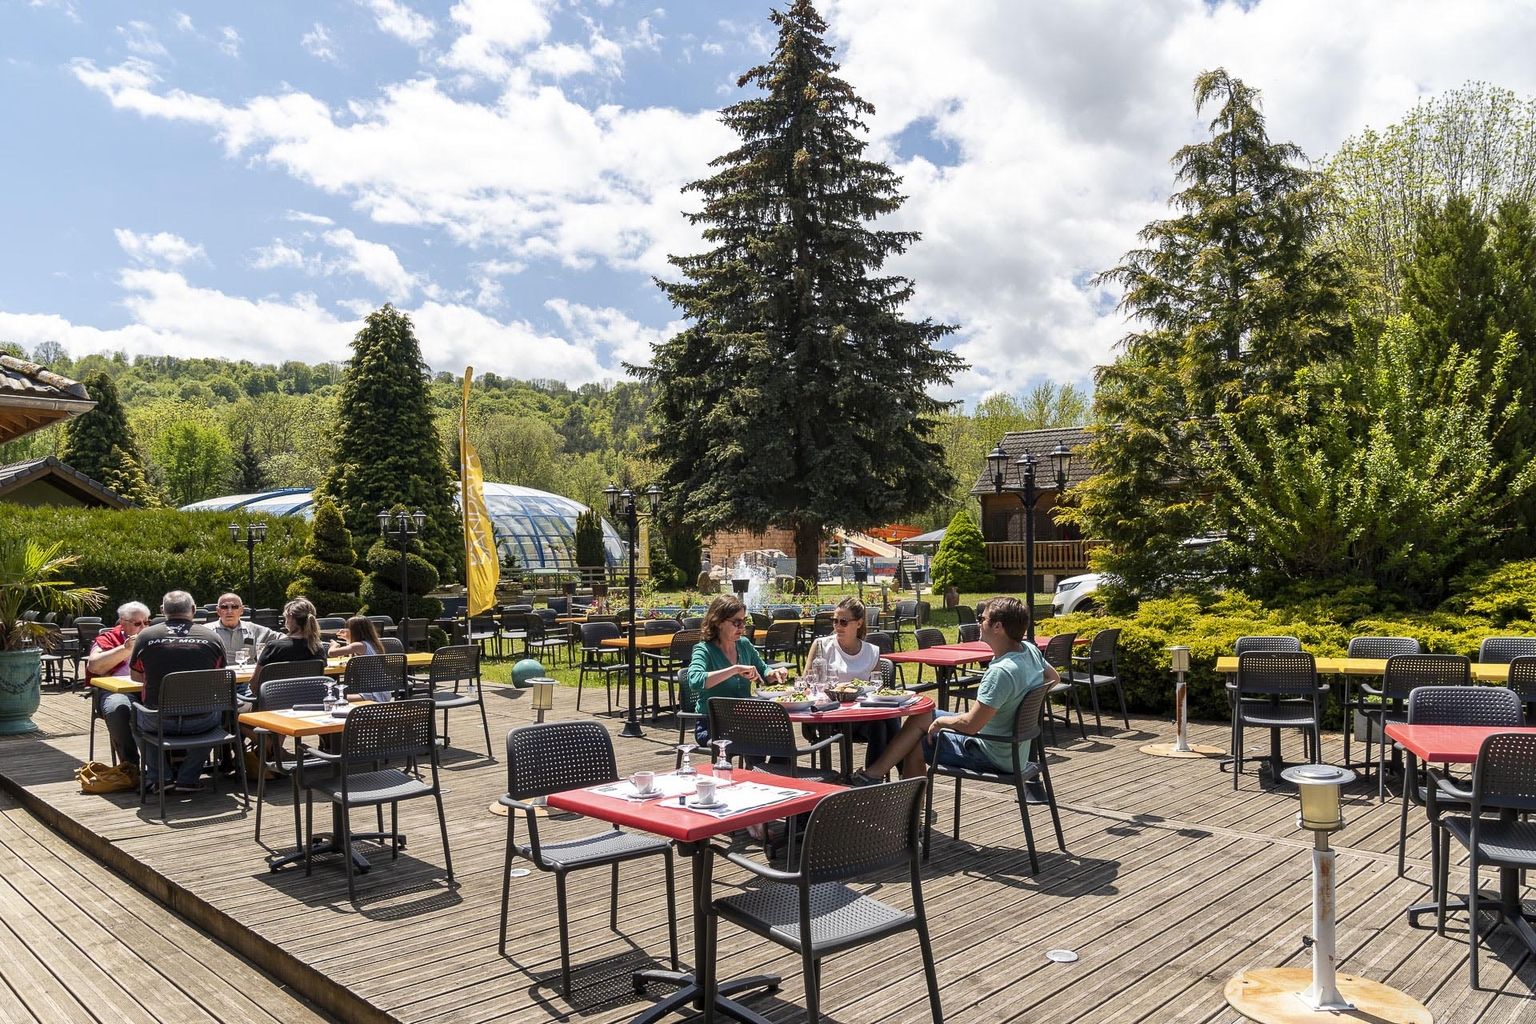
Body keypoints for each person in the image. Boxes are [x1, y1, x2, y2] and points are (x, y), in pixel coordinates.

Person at [851, 596, 1056, 784]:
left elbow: (970, 725)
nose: (978, 623)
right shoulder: (1029, 650)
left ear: (998, 627)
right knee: (921, 716)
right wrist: (1027, 700)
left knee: (917, 744)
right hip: (1014, 750)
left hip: (992, 753)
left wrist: (940, 722)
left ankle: (909, 812)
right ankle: (874, 775)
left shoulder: (1002, 672)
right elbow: (1053, 678)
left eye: (982, 618)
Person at [129, 591, 228, 793]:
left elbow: (136, 676)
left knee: (135, 719)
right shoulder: (212, 637)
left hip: (159, 720)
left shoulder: (145, 636)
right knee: (220, 716)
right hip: (201, 720)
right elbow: (219, 677)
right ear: (193, 610)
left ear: (162, 610)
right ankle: (188, 778)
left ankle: (160, 777)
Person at [802, 596, 895, 766]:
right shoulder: (822, 646)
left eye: (843, 622)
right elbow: (807, 684)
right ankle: (875, 776)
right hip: (830, 714)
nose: (837, 626)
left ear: (858, 623)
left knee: (884, 724)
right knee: (890, 725)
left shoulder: (871, 651)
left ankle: (871, 776)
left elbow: (877, 687)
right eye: (834, 621)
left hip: (861, 714)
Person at [688, 594, 787, 745]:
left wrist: (773, 674)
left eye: (744, 621)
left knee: (781, 734)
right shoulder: (704, 650)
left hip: (744, 719)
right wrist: (734, 669)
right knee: (758, 739)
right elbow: (695, 680)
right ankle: (755, 767)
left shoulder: (744, 645)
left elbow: (763, 670)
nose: (742, 627)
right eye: (737, 622)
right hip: (712, 725)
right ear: (719, 622)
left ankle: (763, 768)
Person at [88, 601, 151, 769]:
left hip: (150, 688)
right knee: (117, 708)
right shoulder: (108, 638)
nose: (144, 627)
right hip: (117, 690)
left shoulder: (155, 637)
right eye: (138, 623)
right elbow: (94, 666)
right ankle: (130, 765)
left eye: (147, 622)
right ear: (123, 623)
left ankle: (173, 765)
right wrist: (126, 648)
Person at [207, 593, 277, 664]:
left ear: (242, 610)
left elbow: (282, 639)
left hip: (248, 673)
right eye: (224, 607)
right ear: (218, 611)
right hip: (220, 673)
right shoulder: (207, 631)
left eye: (234, 607)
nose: (229, 611)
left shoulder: (253, 629)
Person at [255, 598, 327, 666]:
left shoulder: (273, 647)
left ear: (290, 617)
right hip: (308, 679)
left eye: (285, 617)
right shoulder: (317, 648)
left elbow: (256, 679)